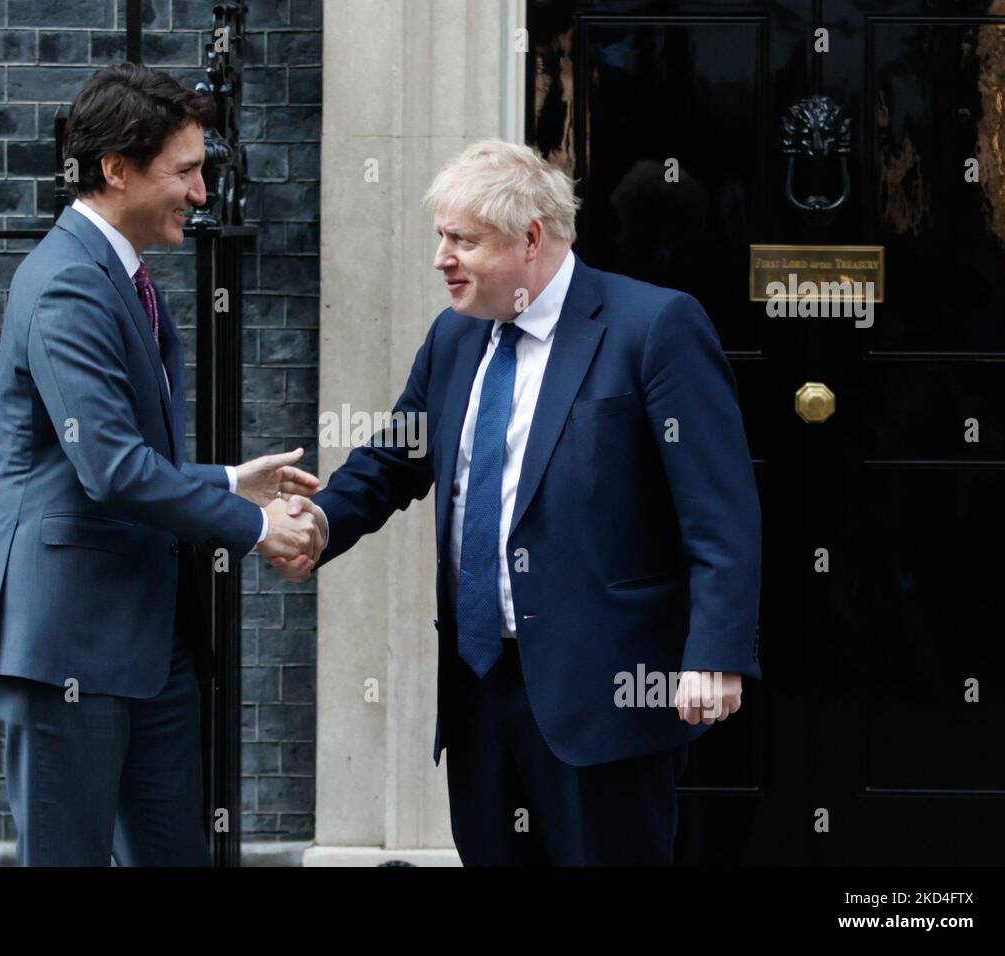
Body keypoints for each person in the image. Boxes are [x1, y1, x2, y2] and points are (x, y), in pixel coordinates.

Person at [278, 140, 762, 865]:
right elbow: (392, 460)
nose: (442, 257)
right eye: (442, 236)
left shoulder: (653, 328)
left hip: (607, 694)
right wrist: (318, 522)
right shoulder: (455, 336)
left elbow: (719, 509)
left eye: (462, 240)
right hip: (479, 689)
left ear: (531, 237)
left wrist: (715, 651)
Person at [0, 64, 323, 866]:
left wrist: (230, 480)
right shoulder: (67, 287)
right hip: (64, 644)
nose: (200, 193)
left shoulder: (120, 277)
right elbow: (114, 472)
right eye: (186, 171)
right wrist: (256, 526)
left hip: (147, 647)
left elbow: (113, 463)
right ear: (116, 169)